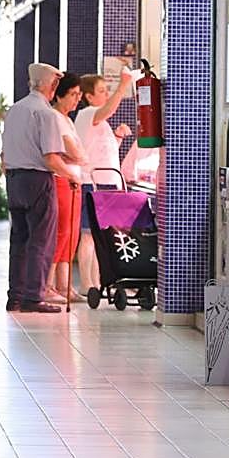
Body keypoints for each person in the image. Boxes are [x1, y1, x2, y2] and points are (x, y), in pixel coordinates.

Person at [0, 62, 69, 314]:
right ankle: (33, 297)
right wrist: (72, 174)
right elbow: (51, 158)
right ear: (52, 85)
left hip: (14, 179)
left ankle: (15, 297)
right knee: (41, 240)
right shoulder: (47, 114)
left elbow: (4, 154)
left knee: (18, 240)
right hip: (38, 180)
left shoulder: (14, 110)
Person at [75, 70, 134, 292]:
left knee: (102, 236)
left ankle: (99, 282)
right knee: (89, 234)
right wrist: (123, 85)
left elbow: (102, 153)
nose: (106, 94)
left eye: (107, 90)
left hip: (107, 182)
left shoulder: (99, 121)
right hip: (93, 183)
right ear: (89, 97)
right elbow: (109, 109)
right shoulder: (88, 114)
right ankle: (87, 284)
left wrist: (117, 137)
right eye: (101, 91)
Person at [49, 72, 87, 303]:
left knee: (71, 234)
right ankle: (49, 285)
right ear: (59, 95)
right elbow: (74, 151)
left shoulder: (68, 119)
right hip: (61, 179)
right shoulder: (55, 117)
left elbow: (79, 154)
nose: (76, 100)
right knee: (61, 232)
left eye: (79, 95)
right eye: (72, 94)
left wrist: (79, 157)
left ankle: (65, 286)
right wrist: (79, 156)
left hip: (74, 180)